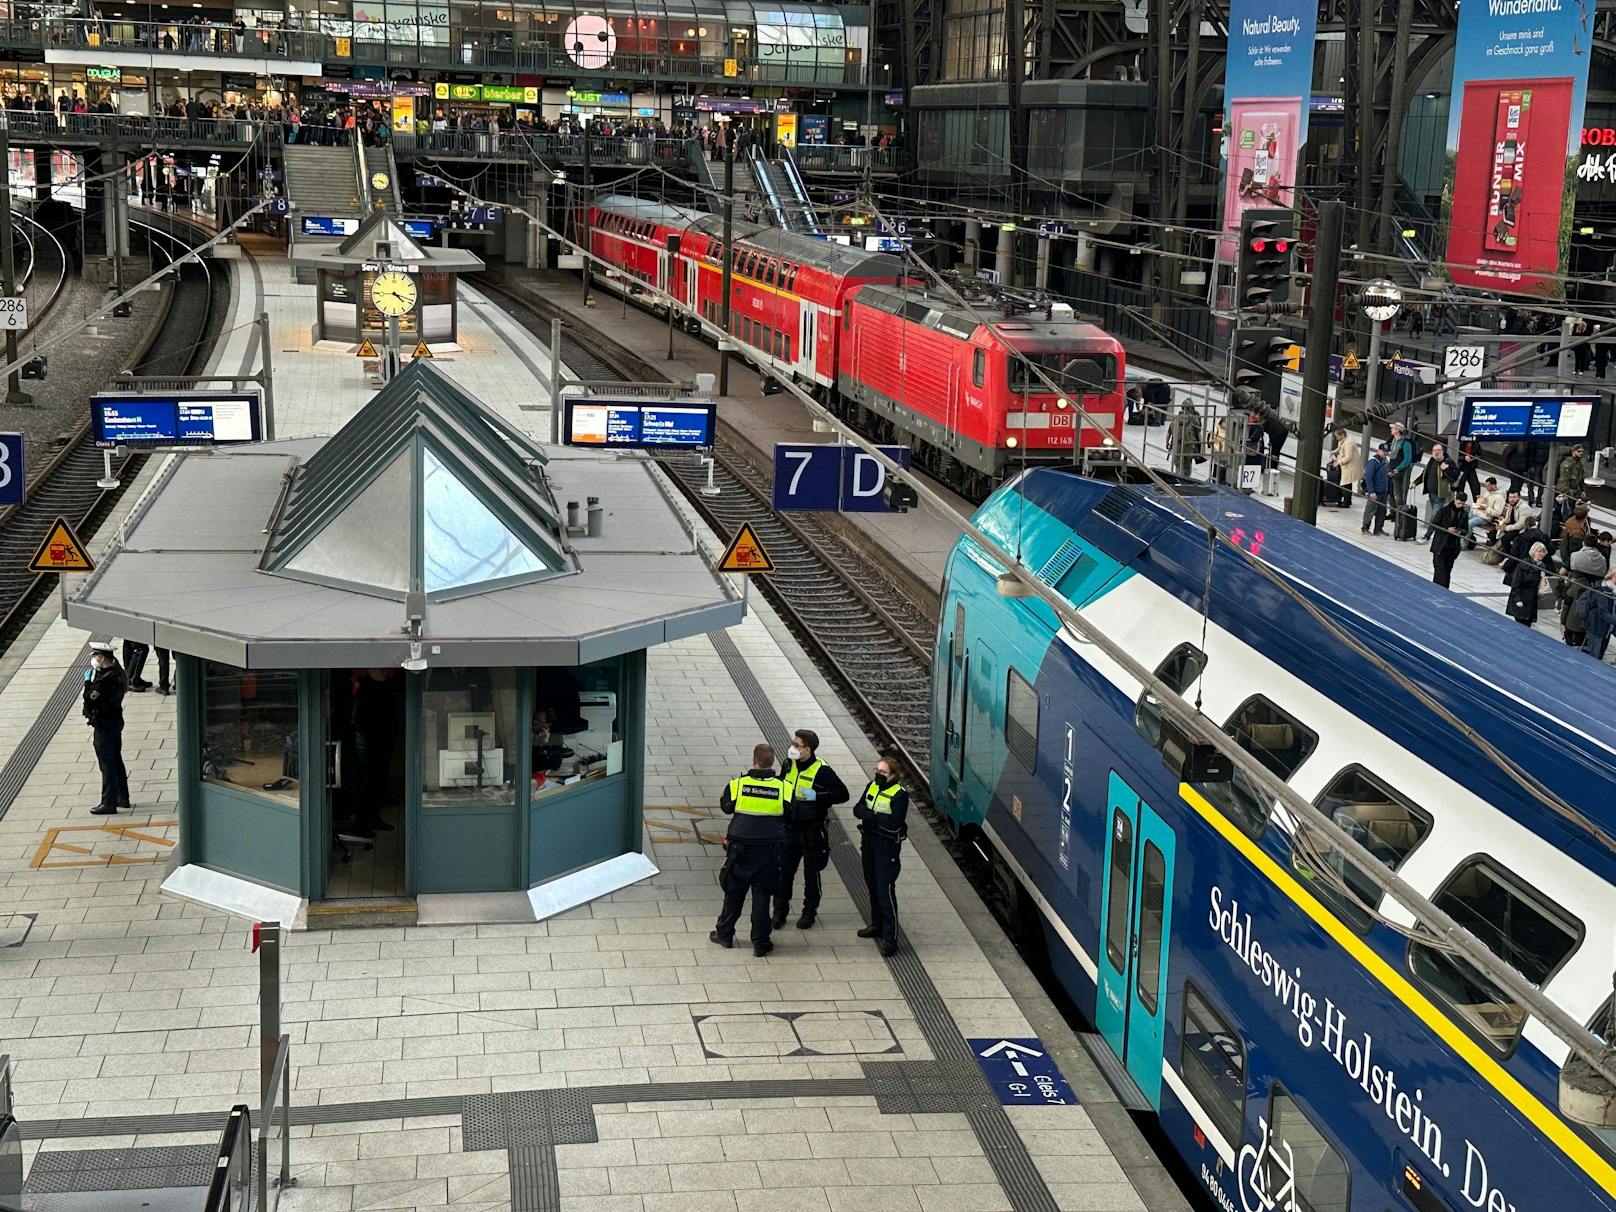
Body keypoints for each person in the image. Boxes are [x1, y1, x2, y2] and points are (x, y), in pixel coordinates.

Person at [712, 742, 787, 957]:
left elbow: (726, 807)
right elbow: (791, 813)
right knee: (762, 899)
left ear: (754, 760)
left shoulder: (737, 785)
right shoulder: (783, 787)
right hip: (769, 852)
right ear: (772, 762)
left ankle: (725, 934)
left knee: (734, 894)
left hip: (740, 851)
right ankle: (761, 943)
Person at [772, 728, 848, 931]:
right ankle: (779, 911)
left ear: (809, 750)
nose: (793, 748)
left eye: (797, 745)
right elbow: (782, 783)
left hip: (811, 829)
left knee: (811, 873)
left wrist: (817, 796)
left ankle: (809, 912)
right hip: (789, 826)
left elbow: (843, 794)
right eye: (793, 743)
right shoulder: (789, 764)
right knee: (783, 872)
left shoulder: (822, 770)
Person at [853, 752, 909, 957]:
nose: (878, 774)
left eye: (883, 772)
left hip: (886, 848)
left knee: (885, 890)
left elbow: (895, 823)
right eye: (877, 770)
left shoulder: (900, 795)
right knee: (871, 885)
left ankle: (890, 937)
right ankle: (876, 924)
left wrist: (872, 816)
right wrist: (873, 816)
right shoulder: (872, 786)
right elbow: (858, 809)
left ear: (893, 775)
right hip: (869, 842)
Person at [83, 641, 130, 815]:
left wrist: (88, 683)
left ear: (102, 658)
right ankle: (122, 797)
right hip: (115, 720)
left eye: (95, 656)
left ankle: (108, 802)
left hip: (104, 724)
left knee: (106, 763)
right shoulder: (118, 673)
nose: (94, 659)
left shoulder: (104, 680)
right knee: (116, 758)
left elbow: (90, 698)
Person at [1417, 442, 1456, 540]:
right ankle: (1445, 533)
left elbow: (1455, 476)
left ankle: (1427, 536)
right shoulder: (1432, 460)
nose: (1436, 453)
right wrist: (1415, 482)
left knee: (1435, 516)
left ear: (1443, 451)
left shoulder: (1448, 462)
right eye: (1434, 451)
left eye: (1438, 451)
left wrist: (1446, 470)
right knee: (1439, 515)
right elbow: (1425, 473)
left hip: (1440, 495)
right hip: (1432, 493)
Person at [1508, 542, 1553, 626]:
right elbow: (1515, 584)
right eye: (1539, 551)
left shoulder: (1542, 566)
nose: (1541, 554)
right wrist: (1518, 600)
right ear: (1533, 552)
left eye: (1543, 552)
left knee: (1528, 624)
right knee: (1520, 623)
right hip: (1521, 598)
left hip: (1531, 600)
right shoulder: (1523, 564)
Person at [1430, 492, 1468, 588]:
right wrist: (1447, 529)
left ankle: (1444, 590)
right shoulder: (1444, 511)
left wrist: (1459, 532)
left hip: (1453, 547)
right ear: (1455, 500)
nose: (1460, 506)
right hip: (1441, 545)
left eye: (1462, 504)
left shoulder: (1463, 514)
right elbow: (1434, 524)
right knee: (1440, 571)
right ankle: (1437, 589)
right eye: (1459, 503)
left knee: (1447, 571)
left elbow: (1465, 530)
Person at [1581, 569, 1616, 660]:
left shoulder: (1613, 592)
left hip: (1606, 630)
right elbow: (1603, 614)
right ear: (1610, 577)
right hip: (1596, 629)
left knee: (1598, 658)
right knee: (1593, 658)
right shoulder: (1602, 591)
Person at [1361, 443, 1390, 536]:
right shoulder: (1373, 462)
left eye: (1386, 452)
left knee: (1382, 511)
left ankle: (1378, 529)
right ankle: (1365, 528)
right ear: (1378, 451)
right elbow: (1368, 478)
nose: (1385, 453)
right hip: (1375, 492)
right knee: (1370, 510)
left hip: (1383, 491)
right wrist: (1371, 491)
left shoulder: (1385, 462)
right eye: (1383, 451)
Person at [1468, 478, 1506, 548]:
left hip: (1487, 517)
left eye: (1488, 486)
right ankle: (1470, 538)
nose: (1486, 488)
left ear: (1493, 485)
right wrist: (1480, 499)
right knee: (1463, 518)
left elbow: (1497, 513)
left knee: (1469, 523)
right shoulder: (1488, 492)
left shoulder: (1499, 498)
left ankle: (1465, 544)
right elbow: (1484, 502)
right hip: (1479, 513)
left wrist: (1486, 508)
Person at [1387, 423, 1416, 511]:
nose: (1391, 429)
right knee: (1390, 492)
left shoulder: (1406, 443)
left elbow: (1407, 459)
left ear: (1397, 430)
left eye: (1393, 428)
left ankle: (1399, 514)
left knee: (1398, 493)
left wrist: (1397, 469)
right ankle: (1392, 511)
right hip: (1391, 469)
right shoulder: (1393, 440)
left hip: (1399, 471)